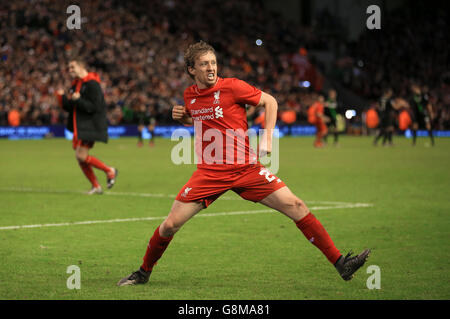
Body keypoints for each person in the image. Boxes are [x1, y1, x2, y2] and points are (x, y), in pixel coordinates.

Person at [117, 41, 370, 286]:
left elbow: (270, 101)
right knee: (170, 224)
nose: (211, 68)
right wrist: (183, 117)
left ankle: (340, 263)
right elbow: (202, 122)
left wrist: (268, 138)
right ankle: (143, 273)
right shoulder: (189, 96)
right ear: (191, 70)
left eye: (213, 62)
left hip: (246, 169)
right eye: (204, 64)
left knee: (296, 205)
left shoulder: (233, 87)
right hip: (211, 172)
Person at [56, 59, 118, 195]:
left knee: (81, 155)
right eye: (69, 68)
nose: (70, 70)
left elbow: (94, 107)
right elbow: (70, 107)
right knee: (80, 157)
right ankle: (96, 186)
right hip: (80, 126)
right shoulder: (75, 85)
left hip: (90, 125)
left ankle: (109, 171)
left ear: (81, 66)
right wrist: (61, 97)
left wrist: (78, 100)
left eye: (72, 67)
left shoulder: (92, 84)